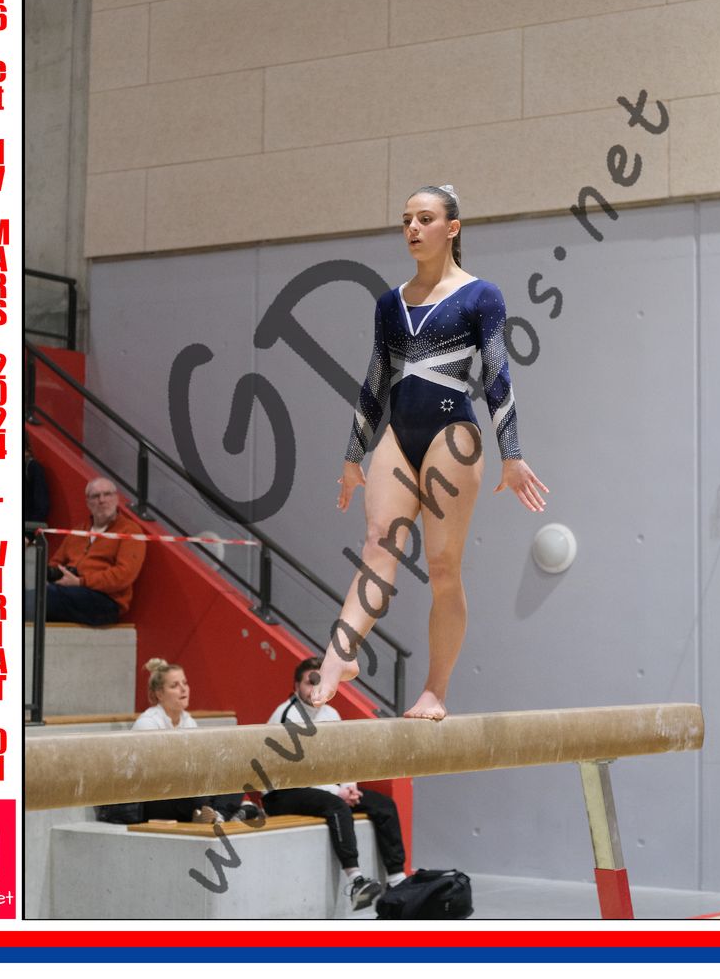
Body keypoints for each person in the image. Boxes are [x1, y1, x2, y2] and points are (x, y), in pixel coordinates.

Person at [314, 184, 549, 720]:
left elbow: (497, 375)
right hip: (399, 436)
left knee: (442, 567)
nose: (413, 229)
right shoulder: (389, 303)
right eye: (406, 221)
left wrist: (512, 454)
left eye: (425, 219)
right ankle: (338, 656)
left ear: (452, 228)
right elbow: (376, 381)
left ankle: (435, 690)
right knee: (377, 545)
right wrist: (352, 456)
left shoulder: (480, 295)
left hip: (453, 436)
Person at [264, 657, 407, 912]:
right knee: (336, 807)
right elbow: (297, 772)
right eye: (310, 682)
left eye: (320, 682)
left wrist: (350, 787)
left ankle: (397, 880)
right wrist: (337, 792)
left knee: (384, 805)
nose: (315, 688)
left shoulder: (331, 714)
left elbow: (343, 759)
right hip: (282, 792)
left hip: (323, 788)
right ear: (296, 686)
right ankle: (356, 880)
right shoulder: (289, 716)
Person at [131, 658, 258, 825]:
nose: (183, 689)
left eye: (185, 683)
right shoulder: (147, 723)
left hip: (185, 790)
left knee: (235, 773)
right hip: (153, 798)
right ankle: (232, 811)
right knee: (198, 795)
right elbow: (153, 774)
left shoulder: (188, 720)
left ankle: (218, 815)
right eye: (174, 685)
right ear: (159, 694)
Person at [24, 476, 146, 626]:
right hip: (68, 593)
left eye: (107, 494)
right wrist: (58, 574)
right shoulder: (78, 531)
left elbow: (124, 575)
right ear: (88, 502)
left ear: (116, 499)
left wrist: (81, 581)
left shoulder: (130, 530)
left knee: (42, 598)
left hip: (106, 601)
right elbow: (55, 563)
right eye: (95, 496)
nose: (102, 500)